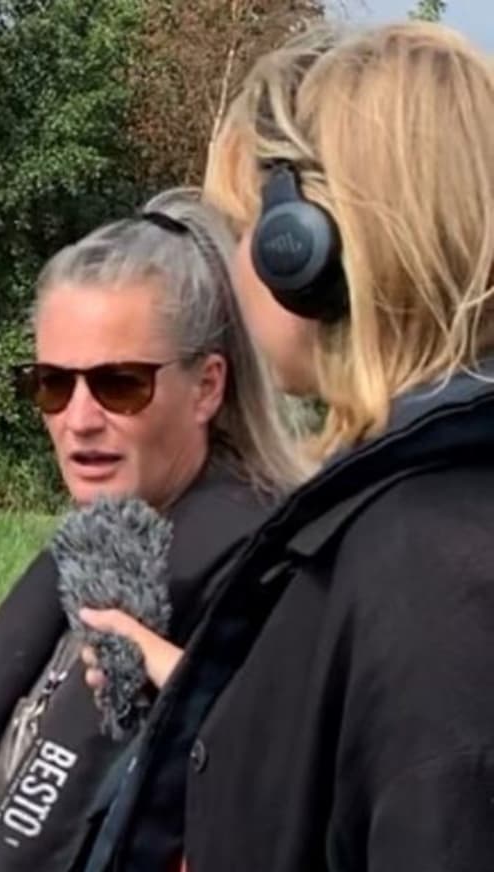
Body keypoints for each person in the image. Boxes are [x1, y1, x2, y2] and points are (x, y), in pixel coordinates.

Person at [78, 22, 494, 872]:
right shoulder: (414, 512)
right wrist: (215, 700)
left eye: (241, 230)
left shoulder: (429, 564)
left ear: (304, 251)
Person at [0, 188, 310, 871]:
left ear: (207, 387)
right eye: (52, 385)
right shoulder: (109, 545)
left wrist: (197, 702)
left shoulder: (264, 583)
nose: (79, 419)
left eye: (119, 383)